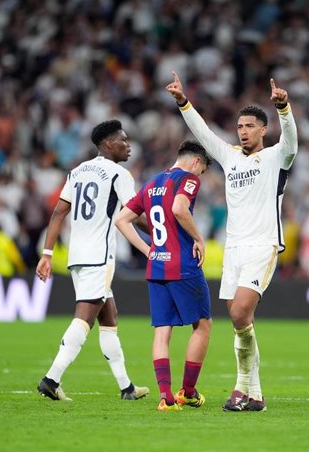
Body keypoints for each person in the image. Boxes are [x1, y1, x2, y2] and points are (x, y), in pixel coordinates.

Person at [165, 71, 297, 412]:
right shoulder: (230, 157)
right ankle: (256, 395)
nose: (243, 131)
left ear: (263, 130)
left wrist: (284, 109)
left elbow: (292, 142)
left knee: (240, 313)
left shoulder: (276, 157)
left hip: (263, 244)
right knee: (241, 322)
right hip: (233, 247)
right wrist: (183, 101)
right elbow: (203, 134)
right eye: (240, 126)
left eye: (250, 126)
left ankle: (240, 389)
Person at [36, 119, 148, 402]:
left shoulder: (77, 171)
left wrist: (47, 254)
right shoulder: (118, 174)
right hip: (100, 256)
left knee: (109, 317)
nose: (128, 145)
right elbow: (134, 213)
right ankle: (52, 378)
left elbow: (58, 213)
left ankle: (127, 387)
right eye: (123, 140)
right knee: (84, 318)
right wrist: (164, 230)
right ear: (108, 144)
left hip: (77, 256)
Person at [115, 140, 213, 412]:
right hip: (183, 265)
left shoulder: (151, 183)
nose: (200, 175)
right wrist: (199, 238)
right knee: (202, 325)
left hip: (157, 266)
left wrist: (149, 250)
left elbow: (122, 219)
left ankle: (166, 398)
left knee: (162, 331)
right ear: (195, 162)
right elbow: (180, 209)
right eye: (202, 170)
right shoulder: (188, 180)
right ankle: (188, 392)